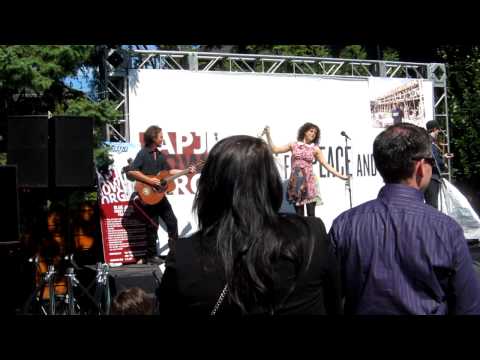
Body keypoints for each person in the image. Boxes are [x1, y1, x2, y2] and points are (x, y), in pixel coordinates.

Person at [158, 135, 342, 315]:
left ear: (208, 187)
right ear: (271, 182)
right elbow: (335, 303)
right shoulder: (311, 234)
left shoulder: (184, 255)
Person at [329, 123, 480, 315]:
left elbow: (330, 296)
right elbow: (468, 306)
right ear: (420, 167)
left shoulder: (344, 225)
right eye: (431, 162)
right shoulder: (447, 229)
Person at [126, 125, 197, 264]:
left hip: (159, 196)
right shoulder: (143, 154)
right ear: (153, 138)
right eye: (161, 137)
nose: (162, 139)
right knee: (152, 226)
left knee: (172, 222)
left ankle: (175, 253)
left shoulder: (159, 155)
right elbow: (132, 171)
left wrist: (186, 171)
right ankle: (151, 256)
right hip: (148, 195)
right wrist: (149, 180)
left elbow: (168, 172)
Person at [264, 123, 349, 217]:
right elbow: (275, 149)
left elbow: (326, 164)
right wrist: (268, 134)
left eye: (315, 133)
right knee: (299, 217)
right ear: (305, 131)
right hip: (297, 183)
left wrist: (341, 176)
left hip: (309, 184)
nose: (313, 134)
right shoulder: (294, 145)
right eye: (311, 131)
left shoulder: (315, 149)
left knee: (311, 215)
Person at [424, 120, 454, 209]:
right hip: (432, 178)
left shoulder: (428, 141)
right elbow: (435, 160)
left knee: (432, 204)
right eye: (438, 130)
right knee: (433, 205)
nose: (438, 132)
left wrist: (443, 156)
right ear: (434, 129)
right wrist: (443, 163)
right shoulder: (430, 142)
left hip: (429, 177)